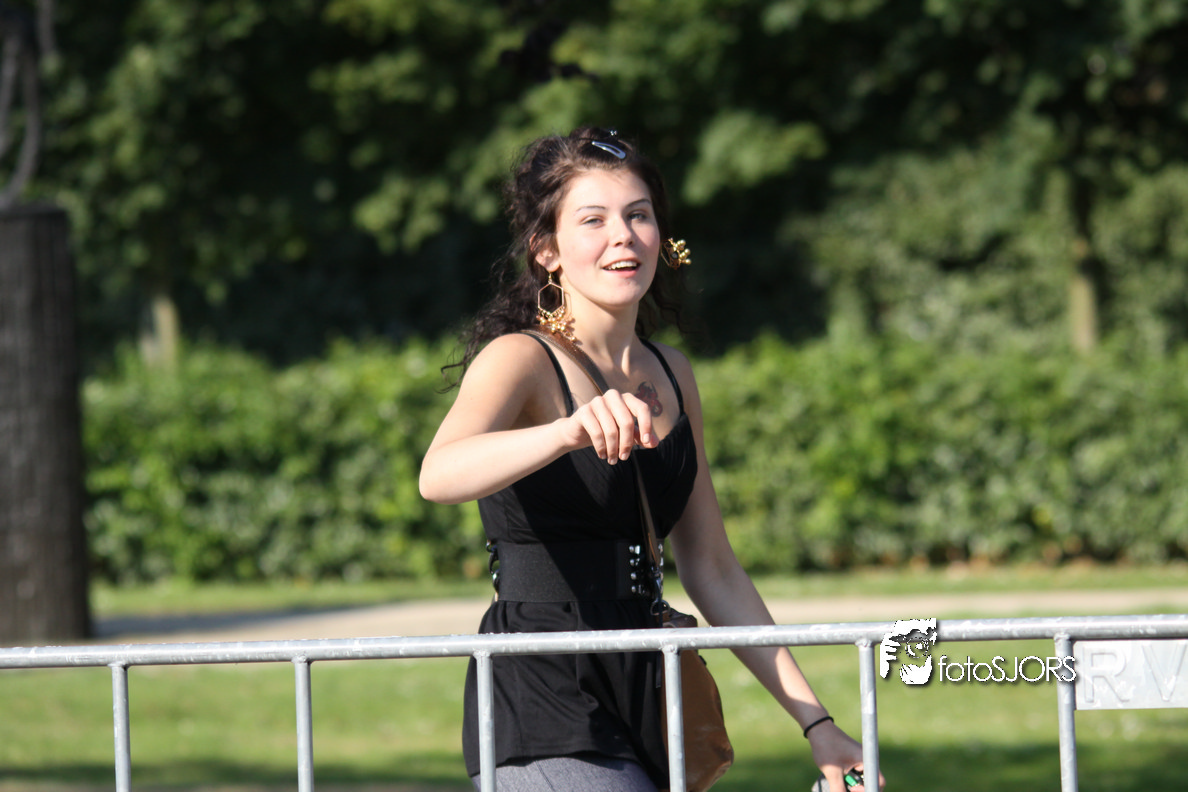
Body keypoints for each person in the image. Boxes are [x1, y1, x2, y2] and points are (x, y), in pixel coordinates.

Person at [419, 127, 879, 792]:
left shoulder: (673, 373)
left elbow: (712, 567)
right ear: (547, 250)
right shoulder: (520, 359)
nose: (623, 237)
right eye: (593, 220)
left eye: (638, 215)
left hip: (649, 686)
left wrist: (818, 724)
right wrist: (565, 433)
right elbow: (438, 474)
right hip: (543, 690)